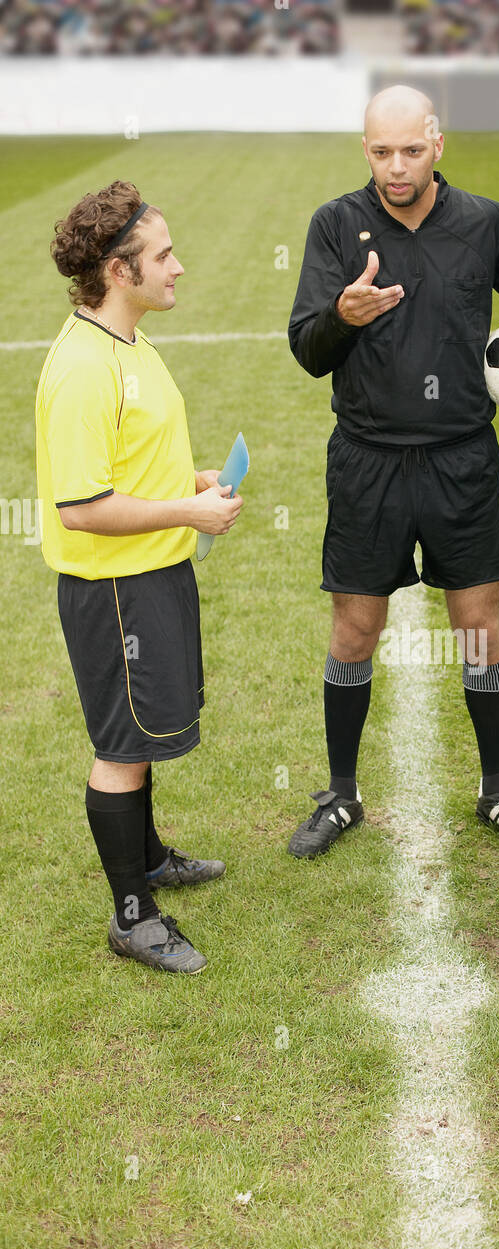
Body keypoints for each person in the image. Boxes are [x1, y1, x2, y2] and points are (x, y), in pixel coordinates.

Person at [288, 84, 499, 858]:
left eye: (411, 150)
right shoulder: (335, 225)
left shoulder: (484, 224)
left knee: (479, 630)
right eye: (381, 152)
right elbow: (306, 348)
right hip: (366, 461)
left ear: (437, 144)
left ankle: (496, 791)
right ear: (365, 149)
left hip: (461, 460)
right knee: (355, 630)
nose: (396, 168)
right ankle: (341, 795)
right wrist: (340, 317)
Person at [36, 181, 243, 975]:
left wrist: (182, 479)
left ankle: (149, 857)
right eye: (163, 256)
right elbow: (83, 506)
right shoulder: (85, 367)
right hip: (114, 586)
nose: (178, 268)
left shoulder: (129, 341)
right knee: (122, 745)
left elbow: (125, 462)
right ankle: (133, 915)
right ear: (120, 272)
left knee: (145, 730)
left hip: (153, 573)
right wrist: (187, 516)